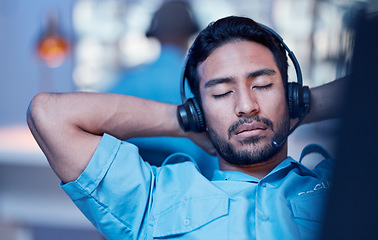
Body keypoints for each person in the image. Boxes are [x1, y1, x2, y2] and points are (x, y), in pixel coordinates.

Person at [27, 16, 345, 240]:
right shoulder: (154, 201)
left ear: (291, 92)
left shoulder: (342, 185)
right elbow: (49, 114)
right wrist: (187, 120)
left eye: (262, 85)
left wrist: (303, 103)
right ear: (198, 107)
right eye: (221, 93)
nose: (246, 106)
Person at [106, 1, 217, 176]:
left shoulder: (128, 81)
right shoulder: (201, 85)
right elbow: (214, 153)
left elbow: (95, 124)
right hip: (188, 181)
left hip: (131, 180)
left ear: (154, 34)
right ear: (191, 33)